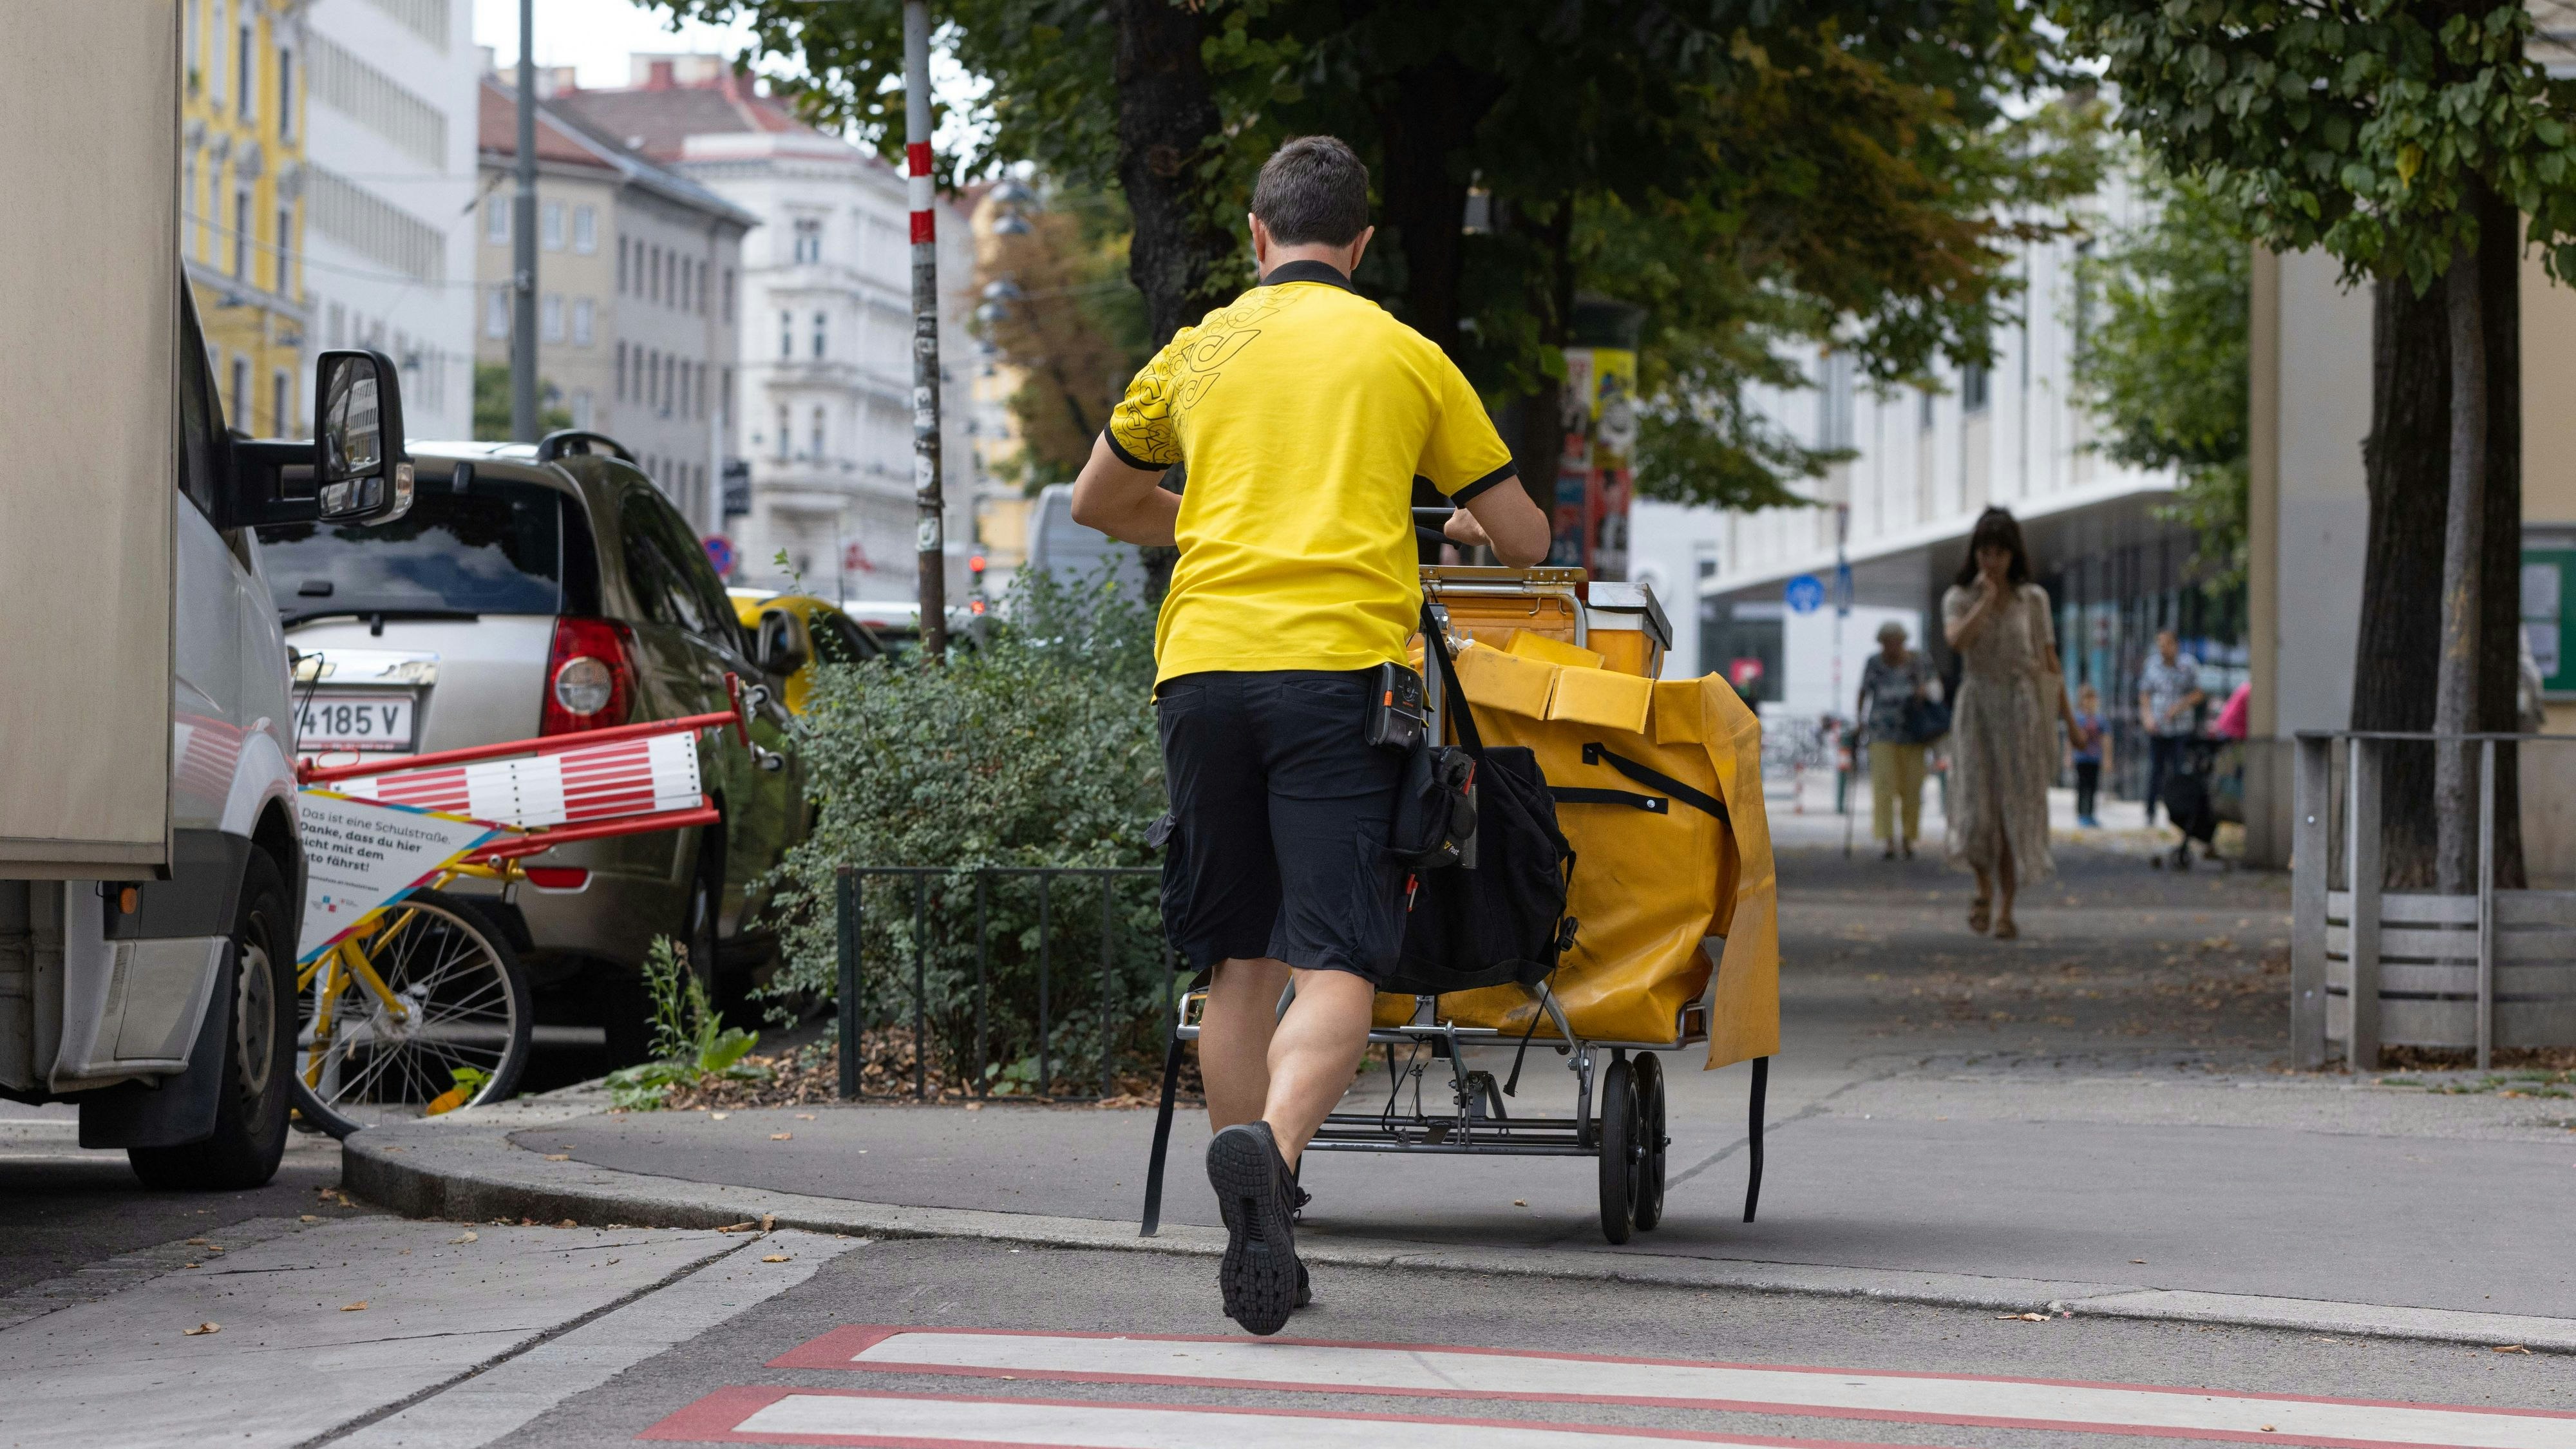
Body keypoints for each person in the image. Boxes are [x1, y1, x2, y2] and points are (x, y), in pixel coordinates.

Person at [1069, 136, 1552, 1336]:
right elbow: (1526, 538)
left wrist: (1219, 515)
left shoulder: (1197, 347)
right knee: (1339, 959)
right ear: (1364, 244)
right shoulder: (1405, 354)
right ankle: (1273, 1165)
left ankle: (1254, 1226)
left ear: (1254, 235)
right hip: (1338, 673)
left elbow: (1099, 502)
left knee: (1239, 960)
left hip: (1200, 673)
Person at [1940, 507, 2071, 939]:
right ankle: (1982, 888)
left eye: (1999, 552)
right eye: (1984, 552)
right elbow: (1958, 641)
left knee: (2015, 809)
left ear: (2014, 554)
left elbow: (2049, 662)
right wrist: (1985, 602)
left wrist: (2071, 721)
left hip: (2020, 709)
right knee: (1978, 809)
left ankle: (2006, 909)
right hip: (1976, 707)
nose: (1991, 561)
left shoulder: (2033, 600)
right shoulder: (1959, 597)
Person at [1855, 620, 1934, 858]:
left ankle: (1909, 839)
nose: (1891, 647)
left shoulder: (1920, 661)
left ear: (1903, 641)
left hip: (1914, 732)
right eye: (1886, 642)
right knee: (1883, 787)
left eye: (1895, 642)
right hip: (1881, 732)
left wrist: (1924, 691)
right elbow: (1864, 691)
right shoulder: (1874, 663)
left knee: (1912, 788)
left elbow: (1935, 686)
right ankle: (1888, 840)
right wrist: (1860, 720)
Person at [2138, 630, 2204, 828]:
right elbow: (2145, 694)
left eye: (2166, 644)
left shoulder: (2188, 666)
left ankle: (2177, 813)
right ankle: (2150, 812)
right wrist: (2148, 718)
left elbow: (2199, 693)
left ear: (2175, 645)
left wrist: (2180, 706)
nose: (2162, 649)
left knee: (2177, 771)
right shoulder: (2152, 665)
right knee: (2155, 771)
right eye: (2160, 644)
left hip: (2180, 728)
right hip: (2158, 728)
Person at [2069, 683, 2108, 828]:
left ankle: (2091, 815)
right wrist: (2069, 757)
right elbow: (2071, 739)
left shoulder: (2100, 719)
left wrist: (2107, 759)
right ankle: (2081, 815)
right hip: (2081, 758)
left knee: (2093, 788)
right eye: (2087, 698)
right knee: (2082, 787)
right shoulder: (2078, 718)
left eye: (2092, 698)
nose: (2090, 701)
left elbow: (2106, 739)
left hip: (2095, 759)